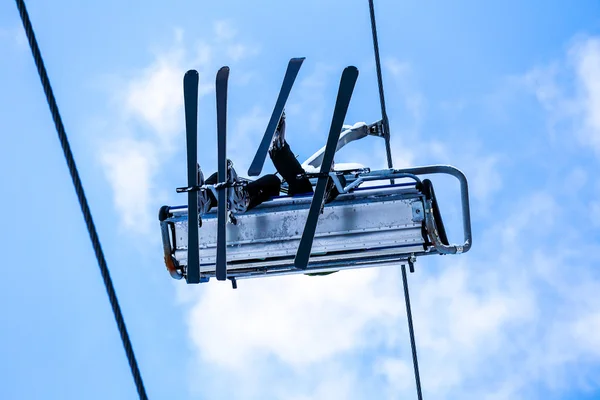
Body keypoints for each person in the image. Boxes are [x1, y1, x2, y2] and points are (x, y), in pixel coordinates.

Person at [197, 112, 336, 215]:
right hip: (299, 206)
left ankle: (279, 150)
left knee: (283, 184)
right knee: (224, 177)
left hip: (306, 213)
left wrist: (328, 183)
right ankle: (205, 198)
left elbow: (330, 194)